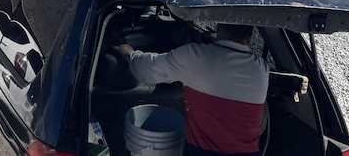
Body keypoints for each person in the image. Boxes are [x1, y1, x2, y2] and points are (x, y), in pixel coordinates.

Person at [115, 23, 269, 156]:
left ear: (218, 29)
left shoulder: (194, 56)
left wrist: (130, 53)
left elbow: (146, 70)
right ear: (249, 39)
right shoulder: (262, 68)